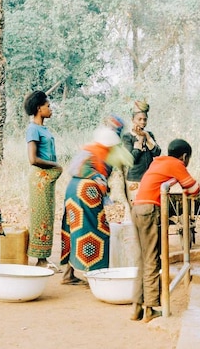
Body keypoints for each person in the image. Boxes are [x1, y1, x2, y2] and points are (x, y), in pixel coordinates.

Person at [130, 139, 200, 323]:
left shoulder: (158, 161)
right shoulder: (176, 164)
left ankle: (137, 308)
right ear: (184, 156)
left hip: (137, 209)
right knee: (153, 259)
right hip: (150, 211)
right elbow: (193, 188)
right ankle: (150, 308)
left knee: (142, 259)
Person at [60, 115, 130, 284]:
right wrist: (128, 201)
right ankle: (94, 276)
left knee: (73, 228)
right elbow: (121, 177)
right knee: (97, 231)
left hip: (72, 189)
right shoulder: (112, 152)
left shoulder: (90, 148)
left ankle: (68, 274)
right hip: (87, 192)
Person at [24, 90, 63, 268]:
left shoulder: (43, 129)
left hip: (46, 178)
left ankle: (43, 258)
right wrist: (55, 166)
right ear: (39, 109)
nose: (50, 109)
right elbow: (33, 159)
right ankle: (40, 260)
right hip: (40, 177)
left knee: (47, 216)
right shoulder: (33, 129)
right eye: (48, 106)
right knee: (41, 217)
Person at [121, 100, 162, 200]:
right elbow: (131, 160)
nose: (142, 122)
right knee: (136, 207)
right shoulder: (127, 137)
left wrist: (147, 137)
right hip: (134, 180)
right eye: (139, 119)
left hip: (149, 178)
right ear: (132, 120)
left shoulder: (149, 135)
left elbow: (157, 153)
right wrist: (139, 142)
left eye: (145, 119)